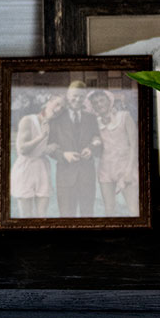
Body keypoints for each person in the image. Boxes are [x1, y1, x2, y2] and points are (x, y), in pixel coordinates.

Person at [47, 78, 99, 217]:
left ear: (85, 98)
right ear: (68, 96)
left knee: (88, 215)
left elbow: (98, 142)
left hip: (87, 175)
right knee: (66, 216)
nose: (77, 99)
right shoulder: (56, 118)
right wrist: (63, 155)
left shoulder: (91, 118)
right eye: (74, 96)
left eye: (81, 96)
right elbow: (49, 147)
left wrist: (91, 149)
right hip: (65, 176)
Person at [9, 92, 61, 219]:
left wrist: (49, 150)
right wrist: (41, 137)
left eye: (62, 107)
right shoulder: (28, 120)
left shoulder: (53, 124)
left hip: (42, 168)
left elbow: (49, 149)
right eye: (57, 104)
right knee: (26, 216)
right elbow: (22, 149)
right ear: (48, 102)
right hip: (25, 168)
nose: (59, 109)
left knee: (42, 215)